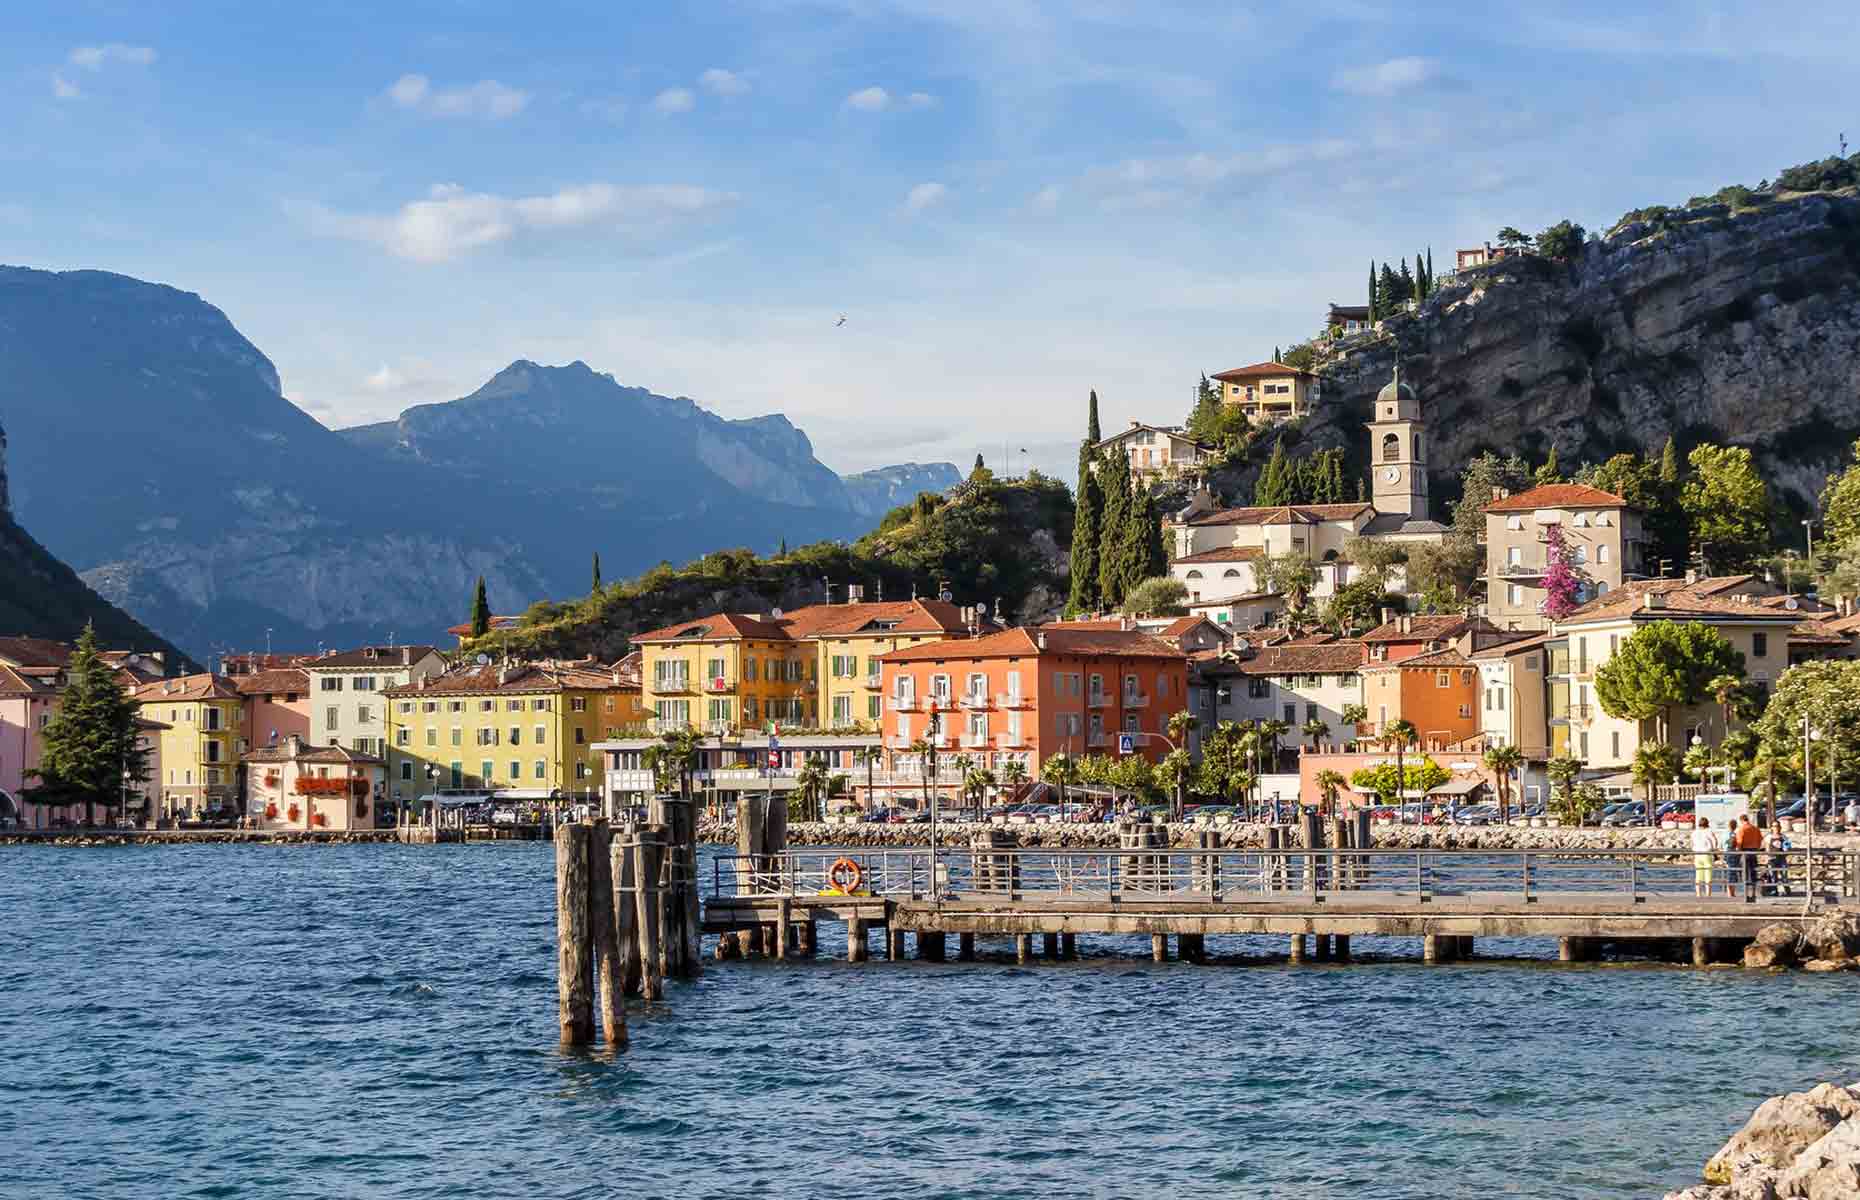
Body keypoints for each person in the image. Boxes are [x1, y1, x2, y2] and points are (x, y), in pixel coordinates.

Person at [1734, 814, 1763, 896]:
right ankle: (1753, 893)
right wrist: (1757, 847)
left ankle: (1746, 894)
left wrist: (1739, 852)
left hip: (1745, 852)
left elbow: (1739, 842)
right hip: (1754, 852)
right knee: (1753, 872)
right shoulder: (1755, 828)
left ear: (1741, 820)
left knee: (1745, 873)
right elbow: (1760, 839)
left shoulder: (1742, 829)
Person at [1691, 817, 1716, 897]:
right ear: (1707, 824)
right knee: (1708, 875)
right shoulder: (1709, 832)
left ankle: (1698, 894)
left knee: (1698, 875)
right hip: (1706, 854)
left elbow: (1692, 844)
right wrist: (1714, 850)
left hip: (1697, 854)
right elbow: (1714, 841)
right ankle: (1708, 894)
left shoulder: (1694, 832)